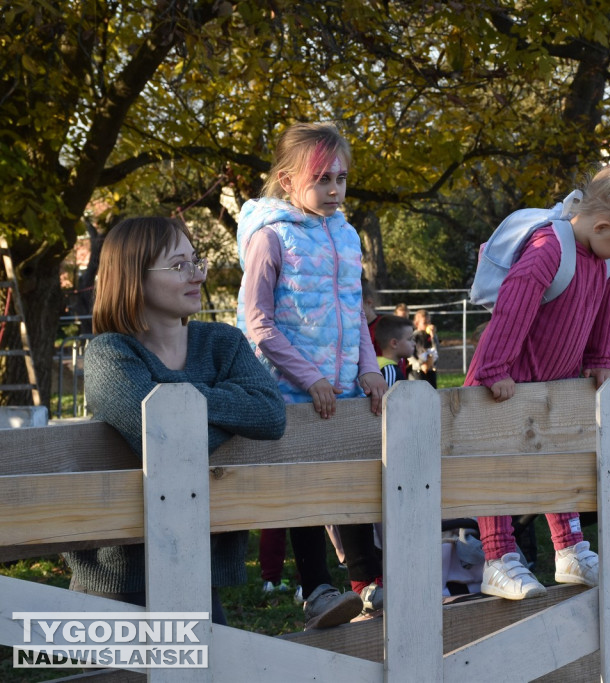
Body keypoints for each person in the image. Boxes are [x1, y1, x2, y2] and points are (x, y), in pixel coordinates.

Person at [65, 217, 287, 626]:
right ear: (133, 276)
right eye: (178, 265)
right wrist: (234, 414)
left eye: (195, 261)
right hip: (120, 575)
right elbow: (169, 442)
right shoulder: (109, 354)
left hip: (200, 565)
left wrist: (170, 394)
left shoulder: (223, 343)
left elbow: (271, 415)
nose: (196, 274)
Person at [465, 151, 610, 600]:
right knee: (495, 464)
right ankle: (498, 558)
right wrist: (495, 368)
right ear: (601, 227)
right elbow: (513, 306)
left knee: (564, 457)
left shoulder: (609, 258)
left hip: (556, 380)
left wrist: (601, 358)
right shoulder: (549, 250)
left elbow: (603, 312)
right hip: (506, 378)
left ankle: (570, 548)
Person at [236, 122, 387, 628]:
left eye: (341, 178)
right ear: (286, 180)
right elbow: (258, 325)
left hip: (343, 389)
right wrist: (308, 378)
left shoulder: (345, 234)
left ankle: (371, 583)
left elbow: (354, 313)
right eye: (321, 179)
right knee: (306, 491)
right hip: (290, 390)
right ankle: (317, 588)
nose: (334, 189)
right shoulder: (270, 237)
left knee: (354, 483)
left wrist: (368, 369)